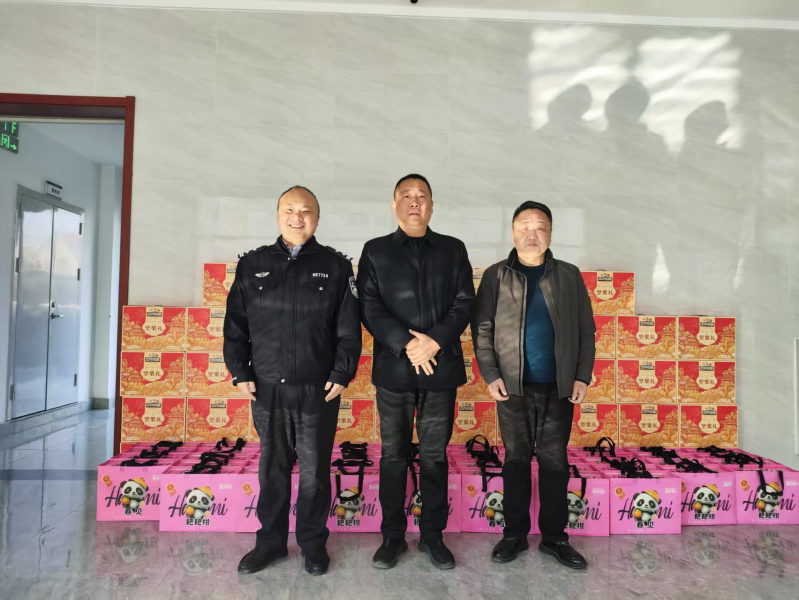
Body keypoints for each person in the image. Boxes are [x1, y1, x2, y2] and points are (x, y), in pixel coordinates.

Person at [224, 186, 361, 576]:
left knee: (315, 472)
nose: (297, 217)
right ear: (278, 215)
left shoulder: (336, 266)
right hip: (266, 386)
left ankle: (313, 544)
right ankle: (270, 543)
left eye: (306, 211)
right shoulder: (252, 264)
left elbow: (348, 329)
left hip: (318, 388)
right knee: (272, 468)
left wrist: (342, 372)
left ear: (317, 218)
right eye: (289, 209)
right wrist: (240, 371)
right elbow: (235, 325)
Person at [357, 174, 475, 570]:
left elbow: (465, 301)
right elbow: (369, 306)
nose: (414, 202)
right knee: (393, 455)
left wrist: (434, 341)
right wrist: (408, 345)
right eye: (406, 196)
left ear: (431, 206)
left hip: (440, 368)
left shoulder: (453, 249)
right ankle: (392, 536)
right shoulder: (375, 251)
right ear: (394, 205)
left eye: (421, 196)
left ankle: (432, 535)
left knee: (434, 455)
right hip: (394, 369)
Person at [471, 201, 595, 569]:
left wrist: (581, 375)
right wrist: (491, 374)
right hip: (513, 386)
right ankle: (514, 535)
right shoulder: (496, 276)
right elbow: (482, 330)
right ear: (512, 232)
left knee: (555, 462)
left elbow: (586, 330)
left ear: (551, 234)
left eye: (540, 226)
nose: (532, 233)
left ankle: (555, 538)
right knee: (516, 460)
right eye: (524, 226)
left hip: (559, 386)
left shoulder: (569, 275)